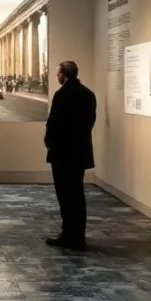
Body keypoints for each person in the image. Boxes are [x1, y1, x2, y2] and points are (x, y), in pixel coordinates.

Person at [44, 61, 97, 250]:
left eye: (58, 73)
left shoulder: (61, 94)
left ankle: (68, 234)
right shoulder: (88, 94)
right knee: (77, 193)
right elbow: (90, 122)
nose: (57, 77)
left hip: (61, 153)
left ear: (64, 74)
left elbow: (52, 124)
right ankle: (79, 235)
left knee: (65, 195)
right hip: (80, 152)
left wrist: (49, 142)